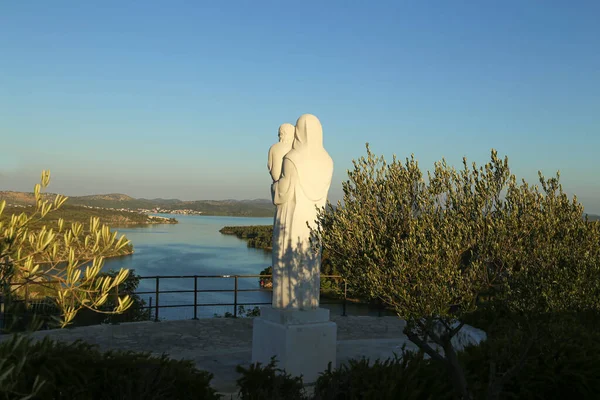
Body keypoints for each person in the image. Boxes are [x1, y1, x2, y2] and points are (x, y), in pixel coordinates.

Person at [271, 114, 334, 310]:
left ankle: (286, 304)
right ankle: (309, 303)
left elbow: (282, 192)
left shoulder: (292, 157)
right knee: (310, 259)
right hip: (315, 221)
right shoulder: (328, 160)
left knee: (289, 258)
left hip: (292, 218)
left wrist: (274, 187)